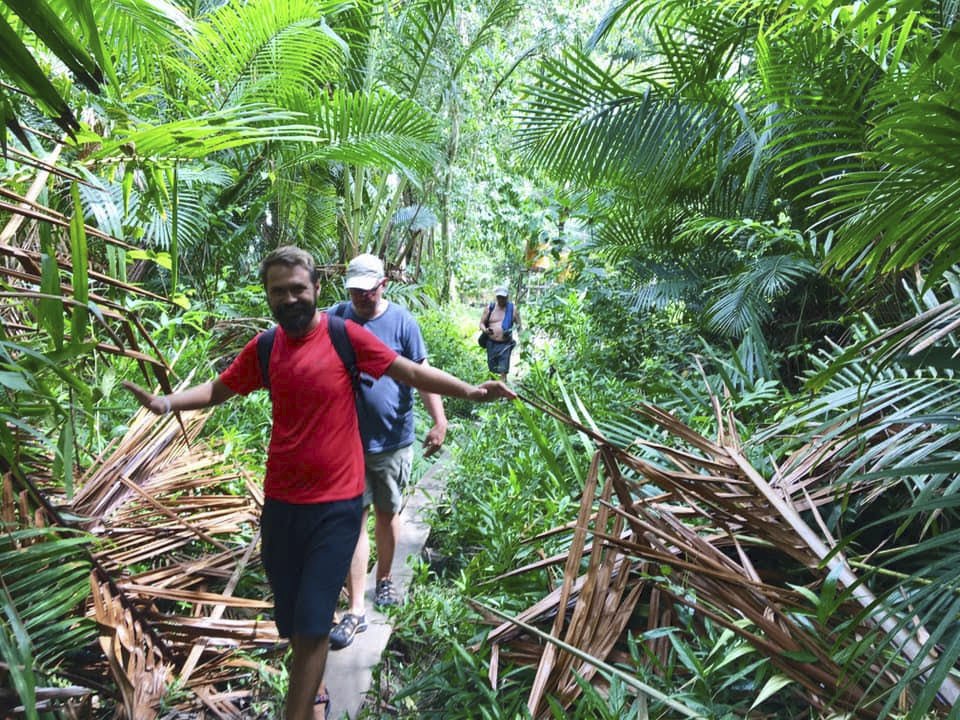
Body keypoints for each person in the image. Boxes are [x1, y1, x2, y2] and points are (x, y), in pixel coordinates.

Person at [121, 246, 515, 720]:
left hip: (338, 506)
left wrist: (470, 390)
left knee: (311, 625)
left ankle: (297, 712)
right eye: (278, 291)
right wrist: (167, 404)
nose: (288, 299)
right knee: (292, 622)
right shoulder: (266, 347)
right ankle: (312, 702)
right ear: (267, 296)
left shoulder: (343, 336)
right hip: (283, 505)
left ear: (315, 291)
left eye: (297, 289)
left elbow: (407, 370)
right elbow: (220, 388)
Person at [327, 253, 447, 650]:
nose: (360, 297)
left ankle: (384, 581)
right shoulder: (336, 319)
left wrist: (439, 420)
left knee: (387, 512)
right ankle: (356, 609)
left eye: (367, 289)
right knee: (353, 520)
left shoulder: (402, 323)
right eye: (354, 290)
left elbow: (422, 374)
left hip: (392, 440)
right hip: (347, 442)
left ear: (383, 285)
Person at [479, 286, 520, 381]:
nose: (501, 299)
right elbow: (481, 323)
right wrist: (485, 330)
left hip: (505, 344)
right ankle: (493, 392)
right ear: (496, 297)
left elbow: (519, 327)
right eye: (499, 297)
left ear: (507, 297)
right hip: (491, 343)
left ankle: (502, 392)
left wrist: (523, 341)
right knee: (492, 371)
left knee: (503, 371)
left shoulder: (513, 309)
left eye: (503, 297)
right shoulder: (490, 308)